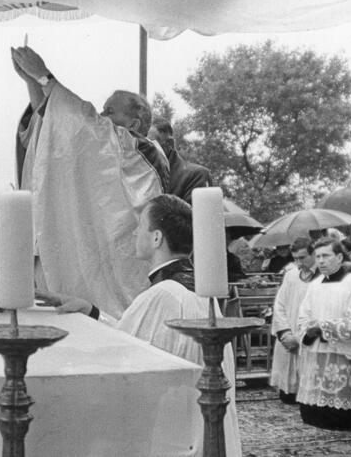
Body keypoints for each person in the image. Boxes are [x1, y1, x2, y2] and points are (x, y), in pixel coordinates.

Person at [39, 194, 241, 456]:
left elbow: (124, 354)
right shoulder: (199, 292)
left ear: (156, 238)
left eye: (140, 226)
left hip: (177, 432)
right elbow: (140, 342)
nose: (135, 233)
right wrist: (91, 311)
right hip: (203, 424)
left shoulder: (163, 294)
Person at [12, 45, 168, 317]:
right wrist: (32, 82)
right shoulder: (115, 144)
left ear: (134, 122)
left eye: (110, 111)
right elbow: (55, 126)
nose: (103, 115)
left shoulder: (145, 152)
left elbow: (85, 128)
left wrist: (44, 77)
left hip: (124, 256)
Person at [295, 237, 351, 429]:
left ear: (339, 257)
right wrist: (309, 330)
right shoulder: (314, 285)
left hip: (342, 353)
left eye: (326, 256)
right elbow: (303, 316)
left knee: (344, 411)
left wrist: (323, 328)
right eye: (318, 256)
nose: (321, 261)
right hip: (317, 351)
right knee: (314, 413)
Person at [270, 237, 318, 403]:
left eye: (302, 258)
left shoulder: (322, 277)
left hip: (308, 335)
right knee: (288, 396)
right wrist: (284, 333)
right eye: (296, 258)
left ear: (314, 255)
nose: (298, 262)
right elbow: (280, 304)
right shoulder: (291, 275)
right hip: (289, 331)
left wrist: (299, 338)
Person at [147, 116, 211, 203]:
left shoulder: (196, 175)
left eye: (147, 144)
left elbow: (192, 216)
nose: (141, 150)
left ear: (169, 144)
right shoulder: (133, 177)